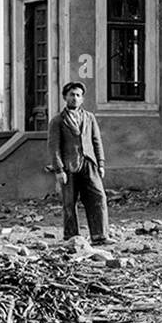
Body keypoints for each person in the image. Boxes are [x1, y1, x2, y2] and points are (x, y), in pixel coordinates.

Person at [46, 81, 110, 245]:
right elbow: (54, 147)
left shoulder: (89, 117)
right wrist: (59, 169)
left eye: (78, 95)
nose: (74, 98)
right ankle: (71, 236)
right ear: (65, 97)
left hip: (89, 163)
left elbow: (96, 141)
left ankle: (100, 235)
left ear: (82, 98)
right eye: (71, 95)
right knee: (69, 202)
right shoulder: (57, 121)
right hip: (69, 166)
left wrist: (100, 163)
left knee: (98, 197)